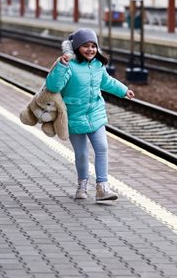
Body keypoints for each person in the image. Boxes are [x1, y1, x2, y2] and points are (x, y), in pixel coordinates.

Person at [46, 28, 135, 201]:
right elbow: (53, 87)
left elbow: (107, 82)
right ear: (77, 47)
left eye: (93, 46)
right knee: (81, 153)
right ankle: (82, 185)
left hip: (95, 112)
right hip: (74, 114)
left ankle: (102, 187)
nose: (90, 49)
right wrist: (61, 66)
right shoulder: (68, 64)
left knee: (102, 147)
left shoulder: (97, 65)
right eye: (85, 46)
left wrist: (124, 90)